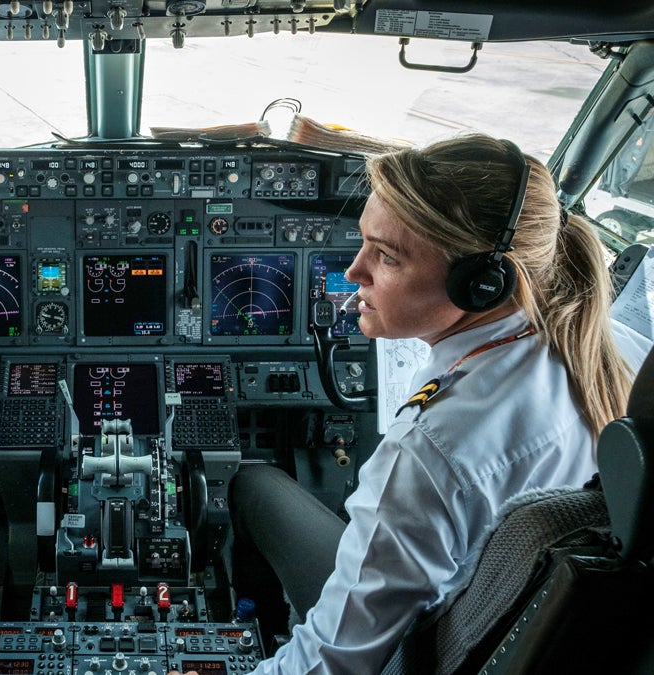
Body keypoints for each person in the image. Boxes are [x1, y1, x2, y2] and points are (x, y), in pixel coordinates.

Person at [223, 134, 633, 674]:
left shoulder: (431, 450)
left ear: (482, 284)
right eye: (363, 242)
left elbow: (328, 665)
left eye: (386, 256)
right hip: (490, 619)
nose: (353, 272)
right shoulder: (617, 347)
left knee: (252, 482)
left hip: (420, 648)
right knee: (258, 485)